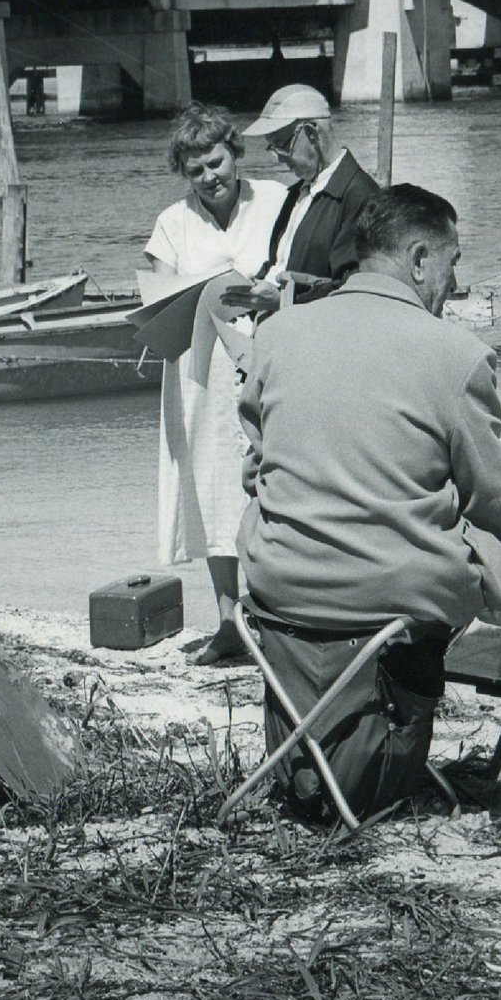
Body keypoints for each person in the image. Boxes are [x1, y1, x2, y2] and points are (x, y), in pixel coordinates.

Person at [238, 185, 501, 821]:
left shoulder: (277, 334)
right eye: (453, 263)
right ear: (420, 258)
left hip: (276, 589)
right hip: (387, 594)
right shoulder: (453, 354)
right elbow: (498, 502)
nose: (454, 284)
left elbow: (257, 466)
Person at [142, 104, 286, 667]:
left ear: (235, 154)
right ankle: (229, 620)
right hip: (202, 370)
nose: (210, 176)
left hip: (270, 357)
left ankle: (276, 615)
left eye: (216, 161)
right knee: (211, 486)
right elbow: (154, 303)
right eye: (196, 168)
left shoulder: (275, 201)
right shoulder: (172, 224)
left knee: (274, 481)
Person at [224, 84, 379, 320]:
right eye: (272, 147)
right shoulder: (299, 192)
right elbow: (281, 262)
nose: (278, 158)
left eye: (283, 145)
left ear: (312, 134)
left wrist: (283, 301)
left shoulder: (361, 195)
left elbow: (356, 289)